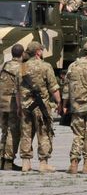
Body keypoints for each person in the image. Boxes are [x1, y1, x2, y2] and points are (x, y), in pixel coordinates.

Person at [16, 41, 60, 173]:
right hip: (41, 107)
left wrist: (18, 106)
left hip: (25, 106)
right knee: (44, 133)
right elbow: (53, 87)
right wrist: (59, 102)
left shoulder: (22, 67)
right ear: (38, 52)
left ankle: (25, 163)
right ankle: (43, 163)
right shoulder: (45, 66)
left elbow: (17, 90)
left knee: (26, 133)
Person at [64, 41, 87, 174]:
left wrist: (64, 104)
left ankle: (73, 163)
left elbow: (66, 87)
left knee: (77, 134)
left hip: (76, 105)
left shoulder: (73, 65)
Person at [0, 44, 24, 171]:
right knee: (13, 132)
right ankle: (8, 161)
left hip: (2, 103)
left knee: (4, 131)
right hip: (13, 104)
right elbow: (21, 87)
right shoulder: (22, 67)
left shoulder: (4, 65)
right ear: (22, 54)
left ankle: (1, 159)